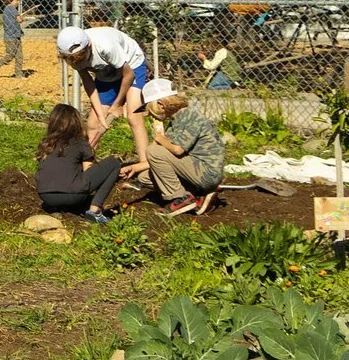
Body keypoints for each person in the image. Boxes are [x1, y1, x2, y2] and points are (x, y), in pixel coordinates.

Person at [56, 23, 152, 169]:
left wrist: (117, 104)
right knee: (93, 124)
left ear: (88, 45)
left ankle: (146, 167)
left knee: (133, 115)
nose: (78, 62)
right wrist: (101, 114)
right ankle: (87, 173)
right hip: (107, 74)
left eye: (81, 58)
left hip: (132, 66)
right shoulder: (73, 57)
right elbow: (88, 82)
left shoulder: (106, 46)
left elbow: (128, 75)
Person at [133, 77, 225, 217]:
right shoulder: (176, 120)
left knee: (153, 151)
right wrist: (133, 168)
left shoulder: (189, 116)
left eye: (148, 109)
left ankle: (181, 199)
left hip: (207, 172)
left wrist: (159, 137)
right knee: (145, 177)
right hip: (194, 168)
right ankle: (197, 194)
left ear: (160, 105)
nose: (148, 114)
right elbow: (161, 158)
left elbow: (177, 149)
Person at [35, 103, 123, 221]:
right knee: (113, 163)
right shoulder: (80, 142)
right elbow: (88, 170)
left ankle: (56, 208)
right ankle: (94, 211)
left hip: (46, 195)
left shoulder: (46, 144)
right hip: (73, 195)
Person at [0, 0, 26, 77]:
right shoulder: (11, 8)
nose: (19, 3)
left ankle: (18, 74)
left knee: (19, 56)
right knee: (10, 56)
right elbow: (20, 20)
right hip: (11, 37)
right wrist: (21, 17)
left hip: (16, 35)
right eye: (18, 0)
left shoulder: (9, 8)